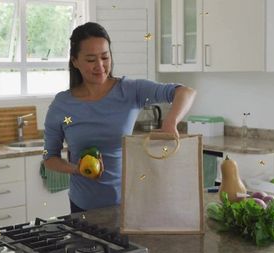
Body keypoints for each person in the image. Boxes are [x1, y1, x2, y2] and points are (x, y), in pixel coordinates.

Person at [43, 22, 196, 213]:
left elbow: (185, 92)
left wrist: (171, 121)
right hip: (83, 207)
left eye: (105, 57)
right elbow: (49, 157)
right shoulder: (62, 104)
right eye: (91, 60)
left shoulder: (130, 91)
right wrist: (77, 169)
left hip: (128, 204)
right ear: (75, 61)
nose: (100, 66)